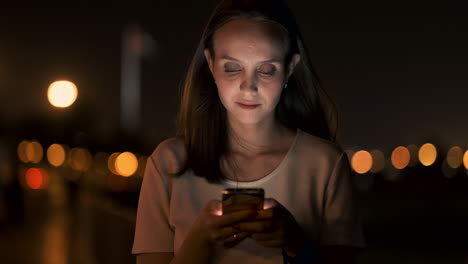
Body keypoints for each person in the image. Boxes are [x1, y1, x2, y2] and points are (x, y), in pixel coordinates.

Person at [132, 0, 365, 263]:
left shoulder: (326, 164)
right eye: (232, 68)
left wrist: (296, 243)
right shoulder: (169, 163)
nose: (248, 86)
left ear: (290, 68)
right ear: (211, 64)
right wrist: (200, 240)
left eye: (266, 70)